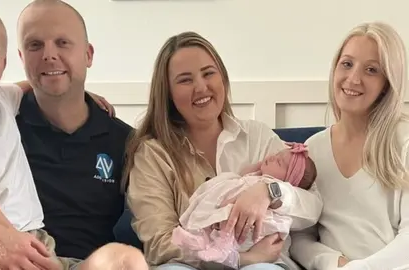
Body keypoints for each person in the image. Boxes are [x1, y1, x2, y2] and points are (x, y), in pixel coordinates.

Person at [0, 0, 145, 269]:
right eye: (35, 45)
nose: (49, 55)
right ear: (20, 58)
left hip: (76, 261)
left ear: (88, 55)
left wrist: (74, 88)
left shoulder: (127, 141)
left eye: (63, 43)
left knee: (125, 260)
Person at [124, 31, 323, 270]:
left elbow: (313, 207)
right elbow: (160, 244)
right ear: (167, 92)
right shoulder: (153, 155)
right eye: (185, 80)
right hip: (190, 265)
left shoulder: (257, 136)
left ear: (223, 79)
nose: (201, 87)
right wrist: (238, 259)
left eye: (209, 73)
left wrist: (269, 191)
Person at [290, 21, 409, 270]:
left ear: (388, 83)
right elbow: (300, 236)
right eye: (347, 64)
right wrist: (335, 263)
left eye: (371, 70)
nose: (353, 78)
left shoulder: (404, 141)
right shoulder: (313, 149)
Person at [171, 143, 317, 270]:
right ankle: (205, 244)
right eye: (277, 154)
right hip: (208, 248)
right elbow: (243, 174)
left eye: (279, 162)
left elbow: (312, 206)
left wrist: (269, 191)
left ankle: (222, 249)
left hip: (255, 234)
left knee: (243, 224)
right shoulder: (254, 175)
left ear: (288, 181)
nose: (273, 157)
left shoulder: (271, 182)